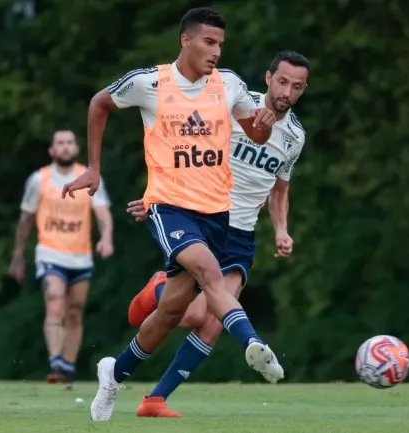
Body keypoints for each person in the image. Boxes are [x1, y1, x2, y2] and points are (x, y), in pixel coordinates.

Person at [61, 7, 284, 421]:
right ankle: (254, 344)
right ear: (186, 40)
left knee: (170, 315)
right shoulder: (151, 83)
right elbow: (99, 103)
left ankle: (114, 373)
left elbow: (254, 132)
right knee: (210, 273)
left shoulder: (230, 84)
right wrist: (93, 167)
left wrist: (265, 123)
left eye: (220, 44)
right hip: (169, 205)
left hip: (217, 212)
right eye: (209, 42)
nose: (216, 51)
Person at [125, 51, 309, 417]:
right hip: (203, 216)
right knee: (192, 316)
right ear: (268, 77)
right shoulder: (235, 104)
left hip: (241, 235)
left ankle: (155, 400)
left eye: (298, 86)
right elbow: (186, 146)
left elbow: (280, 189)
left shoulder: (295, 136)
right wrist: (161, 196)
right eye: (283, 81)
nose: (288, 91)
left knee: (212, 322)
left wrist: (282, 229)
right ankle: (160, 287)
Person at [9, 129, 114, 387]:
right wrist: (18, 254)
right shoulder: (39, 180)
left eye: (70, 143)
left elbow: (103, 213)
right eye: (60, 143)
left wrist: (106, 238)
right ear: (52, 150)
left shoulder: (88, 177)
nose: (65, 147)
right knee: (55, 303)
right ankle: (56, 360)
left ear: (76, 149)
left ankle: (66, 366)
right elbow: (26, 219)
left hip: (80, 256)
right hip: (50, 253)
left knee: (75, 312)